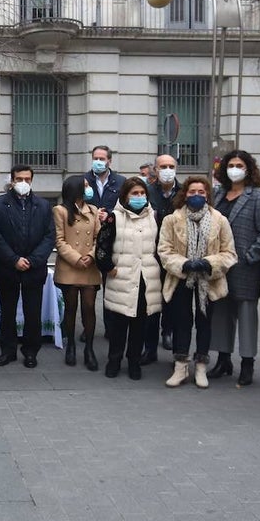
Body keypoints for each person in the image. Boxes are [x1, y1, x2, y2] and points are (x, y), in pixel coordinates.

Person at [157, 176, 237, 389]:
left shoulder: (220, 220)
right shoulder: (172, 220)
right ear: (185, 194)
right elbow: (164, 251)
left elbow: (229, 253)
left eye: (201, 192)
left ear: (208, 195)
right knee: (181, 321)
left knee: (205, 322)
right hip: (181, 277)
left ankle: (201, 365)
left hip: (209, 280)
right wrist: (184, 264)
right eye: (192, 192)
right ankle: (180, 366)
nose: (196, 196)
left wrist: (209, 263)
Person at [208, 150, 260, 385]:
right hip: (219, 266)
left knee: (246, 315)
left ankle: (247, 363)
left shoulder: (258, 197)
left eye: (239, 164)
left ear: (248, 169)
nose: (234, 168)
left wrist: (248, 257)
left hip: (245, 267)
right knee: (221, 314)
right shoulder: (217, 194)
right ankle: (223, 359)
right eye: (231, 164)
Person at [95, 177, 163, 380]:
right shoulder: (114, 218)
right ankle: (114, 361)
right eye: (135, 193)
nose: (139, 197)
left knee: (139, 326)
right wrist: (108, 268)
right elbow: (102, 247)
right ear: (125, 196)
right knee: (118, 326)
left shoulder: (154, 217)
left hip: (146, 279)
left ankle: (134, 362)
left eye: (142, 193)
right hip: (122, 278)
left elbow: (160, 246)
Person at [0, 164, 55, 368]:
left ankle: (30, 351)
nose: (23, 183)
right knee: (7, 312)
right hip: (7, 267)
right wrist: (14, 259)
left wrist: (33, 260)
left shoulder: (43, 205)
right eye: (19, 179)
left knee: (32, 312)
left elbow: (49, 236)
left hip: (34, 269)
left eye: (27, 179)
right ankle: (7, 351)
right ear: (12, 180)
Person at [52, 175, 102, 369]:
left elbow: (99, 237)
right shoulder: (60, 210)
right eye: (86, 186)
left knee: (89, 307)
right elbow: (59, 240)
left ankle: (89, 348)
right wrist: (76, 259)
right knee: (71, 308)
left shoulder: (94, 210)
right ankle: (71, 345)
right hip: (69, 266)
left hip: (90, 266)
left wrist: (90, 256)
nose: (89, 188)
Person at [144, 153, 181, 358]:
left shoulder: (184, 192)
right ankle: (149, 346)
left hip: (175, 255)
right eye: (163, 167)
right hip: (151, 253)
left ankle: (168, 331)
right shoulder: (147, 192)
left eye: (171, 166)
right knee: (151, 300)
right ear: (155, 170)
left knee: (172, 298)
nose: (167, 170)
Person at [84, 145, 126, 216]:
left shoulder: (121, 181)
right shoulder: (84, 180)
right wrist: (94, 212)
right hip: (89, 223)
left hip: (111, 224)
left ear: (109, 161)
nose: (98, 161)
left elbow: (124, 206)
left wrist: (108, 213)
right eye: (95, 158)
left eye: (101, 159)